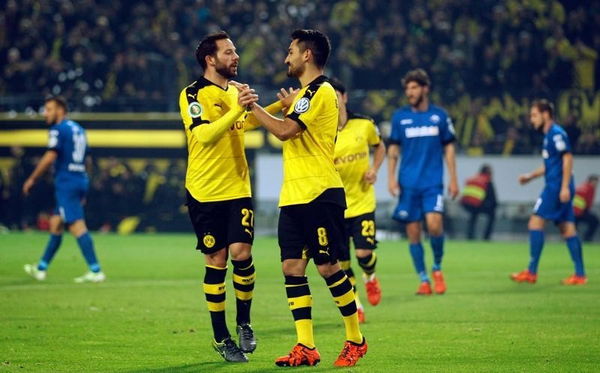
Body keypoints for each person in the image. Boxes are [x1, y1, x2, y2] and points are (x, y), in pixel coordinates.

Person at [248, 29, 367, 367]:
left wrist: (251, 104)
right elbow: (293, 124)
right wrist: (285, 108)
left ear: (307, 55)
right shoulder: (305, 95)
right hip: (295, 195)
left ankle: (356, 340)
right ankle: (306, 346)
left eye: (291, 51)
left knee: (329, 267)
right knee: (292, 267)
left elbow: (285, 131)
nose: (286, 58)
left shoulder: (320, 90)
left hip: (320, 193)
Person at [178, 31, 283, 363]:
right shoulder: (192, 94)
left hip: (237, 188)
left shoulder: (234, 92)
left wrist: (281, 104)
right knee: (216, 260)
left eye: (235, 50)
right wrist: (236, 108)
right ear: (211, 59)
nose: (235, 56)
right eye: (228, 52)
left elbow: (245, 123)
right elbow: (205, 134)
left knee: (242, 251)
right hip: (204, 191)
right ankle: (220, 335)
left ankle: (244, 322)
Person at [387, 69, 459, 296]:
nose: (410, 92)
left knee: (435, 224)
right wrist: (390, 177)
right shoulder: (400, 117)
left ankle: (437, 268)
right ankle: (423, 279)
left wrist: (454, 178)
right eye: (407, 88)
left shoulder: (440, 116)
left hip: (432, 183)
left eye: (414, 87)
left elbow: (448, 147)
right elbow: (393, 149)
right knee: (414, 232)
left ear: (425, 89)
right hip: (408, 184)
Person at [23, 96, 105, 283]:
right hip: (80, 178)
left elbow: (51, 155)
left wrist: (32, 178)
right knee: (56, 224)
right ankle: (41, 268)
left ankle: (96, 270)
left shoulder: (58, 129)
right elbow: (88, 159)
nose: (46, 113)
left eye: (49, 109)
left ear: (60, 110)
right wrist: (84, 184)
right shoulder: (79, 129)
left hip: (66, 181)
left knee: (76, 226)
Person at [511, 99, 587, 285]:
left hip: (556, 187)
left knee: (535, 222)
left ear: (546, 114)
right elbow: (550, 165)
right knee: (567, 228)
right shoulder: (549, 136)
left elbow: (567, 158)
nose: (532, 119)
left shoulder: (556, 134)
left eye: (534, 115)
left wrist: (563, 187)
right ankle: (580, 274)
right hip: (559, 185)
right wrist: (530, 177)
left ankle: (531, 271)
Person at [329, 78, 385, 324]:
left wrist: (374, 169)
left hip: (362, 202)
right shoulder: (323, 130)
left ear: (345, 97)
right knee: (342, 263)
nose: (334, 101)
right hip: (336, 206)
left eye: (337, 96)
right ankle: (356, 304)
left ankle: (370, 277)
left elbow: (380, 146)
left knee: (364, 254)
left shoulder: (364, 124)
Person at [460, 164, 497, 240]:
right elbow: (492, 198)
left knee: (473, 215)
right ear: (488, 173)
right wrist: (493, 206)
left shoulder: (472, 179)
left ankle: (470, 236)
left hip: (467, 205)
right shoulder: (487, 181)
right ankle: (486, 237)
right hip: (478, 204)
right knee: (492, 215)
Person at [574, 175, 598, 242]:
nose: (596, 184)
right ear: (591, 181)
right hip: (579, 212)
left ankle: (577, 239)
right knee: (594, 221)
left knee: (573, 226)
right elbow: (585, 201)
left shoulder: (584, 187)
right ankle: (587, 238)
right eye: (596, 182)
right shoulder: (588, 188)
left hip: (576, 211)